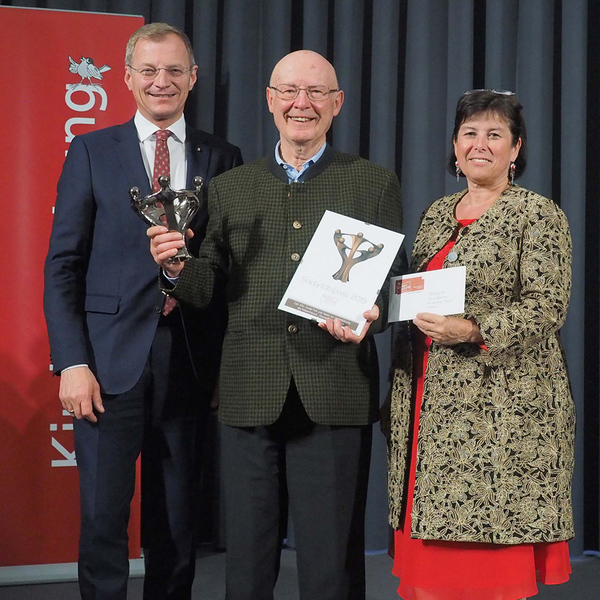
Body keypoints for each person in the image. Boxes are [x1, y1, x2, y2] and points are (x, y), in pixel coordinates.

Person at [148, 50, 405, 600]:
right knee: (247, 565)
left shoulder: (372, 183)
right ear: (270, 101)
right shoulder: (231, 186)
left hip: (335, 388)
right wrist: (175, 268)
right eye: (289, 91)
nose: (301, 103)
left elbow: (388, 282)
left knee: (331, 568)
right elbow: (208, 288)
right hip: (247, 391)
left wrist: (372, 315)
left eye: (315, 93)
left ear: (336, 104)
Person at [43, 22, 242, 600]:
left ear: (193, 78)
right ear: (128, 78)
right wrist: (71, 362)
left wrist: (223, 365)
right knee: (104, 518)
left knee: (178, 523)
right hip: (106, 364)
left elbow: (229, 269)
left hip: (188, 358)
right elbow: (62, 265)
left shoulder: (221, 156)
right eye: (150, 71)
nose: (162, 82)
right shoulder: (90, 150)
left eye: (175, 70)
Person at [387, 89, 575, 600]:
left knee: (490, 580)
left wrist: (473, 330)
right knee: (429, 581)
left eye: (495, 135)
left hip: (501, 417)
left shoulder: (538, 214)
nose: (480, 145)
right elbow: (414, 290)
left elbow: (546, 306)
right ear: (454, 145)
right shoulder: (436, 212)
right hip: (427, 411)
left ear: (516, 149)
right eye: (470, 133)